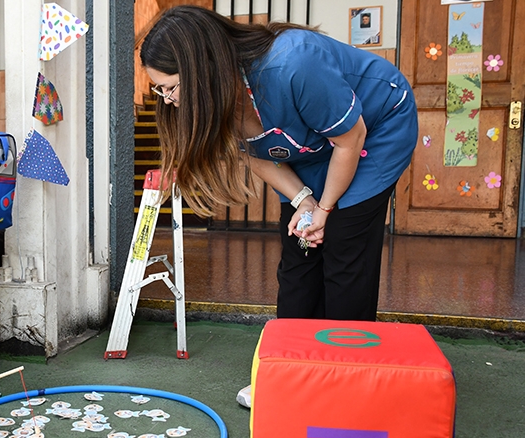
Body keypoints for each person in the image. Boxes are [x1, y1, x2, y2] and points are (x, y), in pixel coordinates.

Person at [140, 6, 418, 407]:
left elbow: (350, 139)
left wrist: (325, 210)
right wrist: (306, 202)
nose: (169, 101)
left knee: (343, 247)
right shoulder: (218, 94)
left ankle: (344, 379)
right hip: (319, 148)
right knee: (300, 252)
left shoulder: (292, 63)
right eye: (159, 91)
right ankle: (287, 370)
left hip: (372, 132)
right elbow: (256, 155)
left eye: (171, 87)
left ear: (203, 68)